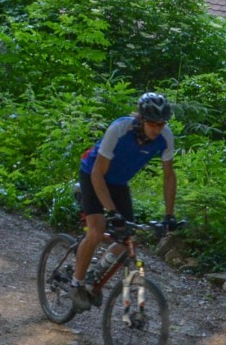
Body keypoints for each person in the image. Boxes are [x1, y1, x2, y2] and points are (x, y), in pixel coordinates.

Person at [73, 91, 178, 307]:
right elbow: (97, 173)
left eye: (161, 124)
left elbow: (169, 176)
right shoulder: (120, 129)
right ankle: (77, 283)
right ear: (141, 119)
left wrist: (169, 215)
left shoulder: (165, 137)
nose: (157, 129)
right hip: (93, 175)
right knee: (97, 230)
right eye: (153, 124)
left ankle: (94, 275)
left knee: (129, 238)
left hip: (119, 183)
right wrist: (111, 212)